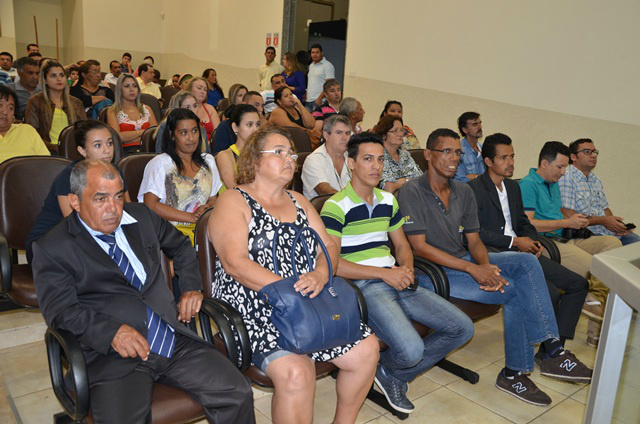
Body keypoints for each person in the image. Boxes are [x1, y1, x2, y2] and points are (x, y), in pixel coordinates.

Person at [33, 159, 254, 423]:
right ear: (75, 201)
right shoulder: (52, 248)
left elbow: (182, 246)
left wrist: (191, 287)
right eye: (100, 199)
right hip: (113, 355)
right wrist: (112, 332)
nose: (113, 208)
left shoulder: (140, 216)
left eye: (117, 196)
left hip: (171, 337)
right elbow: (61, 312)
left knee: (237, 392)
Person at [398, 128, 592, 406]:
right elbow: (420, 248)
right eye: (446, 151)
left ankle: (550, 349)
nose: (454, 158)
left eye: (457, 152)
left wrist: (486, 267)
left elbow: (474, 240)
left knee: (525, 262)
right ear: (427, 154)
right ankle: (522, 369)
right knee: (515, 291)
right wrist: (474, 270)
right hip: (432, 271)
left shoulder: (462, 191)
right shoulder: (412, 191)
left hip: (463, 261)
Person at [209, 127, 379, 423]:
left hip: (309, 298)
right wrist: (291, 291)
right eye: (278, 152)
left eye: (291, 153)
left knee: (367, 349)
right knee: (298, 372)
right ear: (254, 160)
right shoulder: (233, 201)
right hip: (258, 305)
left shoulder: (299, 201)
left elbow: (328, 245)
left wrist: (322, 274)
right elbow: (235, 263)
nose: (289, 158)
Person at [320, 132, 474, 414]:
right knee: (412, 350)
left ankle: (389, 373)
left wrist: (406, 269)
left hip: (396, 279)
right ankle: (390, 370)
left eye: (380, 160)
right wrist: (383, 274)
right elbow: (332, 265)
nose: (376, 166)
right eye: (367, 159)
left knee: (462, 328)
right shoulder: (335, 206)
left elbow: (403, 246)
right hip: (365, 286)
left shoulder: (388, 200)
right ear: (351, 163)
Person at [468, 133, 589, 360]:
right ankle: (553, 353)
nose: (511, 162)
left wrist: (532, 240)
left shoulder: (513, 188)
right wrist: (515, 241)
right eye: (504, 158)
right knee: (550, 292)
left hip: (523, 250)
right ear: (488, 162)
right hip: (496, 254)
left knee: (578, 284)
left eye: (512, 156)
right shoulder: (473, 189)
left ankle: (552, 350)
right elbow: (476, 234)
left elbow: (524, 222)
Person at [519, 141, 623, 346]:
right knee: (599, 268)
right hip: (546, 242)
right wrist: (566, 222)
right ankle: (592, 306)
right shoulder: (528, 184)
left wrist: (576, 221)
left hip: (565, 237)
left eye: (565, 167)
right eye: (560, 167)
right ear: (544, 163)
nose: (564, 172)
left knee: (612, 245)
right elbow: (527, 224)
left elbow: (558, 214)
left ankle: (592, 299)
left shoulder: (553, 183)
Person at [26, 119, 131, 263]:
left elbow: (127, 210)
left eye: (109, 143)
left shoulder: (115, 172)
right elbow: (75, 226)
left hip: (93, 237)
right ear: (82, 151)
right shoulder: (68, 177)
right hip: (50, 244)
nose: (107, 150)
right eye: (98, 145)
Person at [139, 108, 221, 244]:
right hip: (170, 232)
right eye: (184, 133)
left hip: (203, 228)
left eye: (195, 131)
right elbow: (151, 205)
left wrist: (205, 209)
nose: (191, 138)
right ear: (172, 135)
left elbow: (213, 199)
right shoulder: (160, 164)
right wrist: (190, 217)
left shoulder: (208, 161)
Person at [560, 138, 639, 246]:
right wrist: (603, 221)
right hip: (586, 235)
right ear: (573, 157)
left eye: (595, 152)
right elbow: (568, 214)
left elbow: (605, 209)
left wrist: (617, 226)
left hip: (606, 232)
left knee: (635, 241)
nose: (593, 155)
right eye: (587, 152)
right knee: (615, 246)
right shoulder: (566, 177)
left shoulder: (595, 179)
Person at [24, 60, 86, 146]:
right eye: (53, 76)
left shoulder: (76, 102)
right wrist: (53, 148)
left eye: (62, 75)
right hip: (47, 151)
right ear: (45, 80)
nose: (59, 79)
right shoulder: (35, 101)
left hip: (73, 151)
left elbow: (84, 132)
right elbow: (32, 133)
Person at [302, 114, 352, 199]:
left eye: (347, 133)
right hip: (322, 210)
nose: (344, 137)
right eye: (339, 133)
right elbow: (325, 191)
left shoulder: (352, 158)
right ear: (326, 135)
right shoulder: (314, 160)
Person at [106, 74, 158, 152]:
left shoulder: (147, 109)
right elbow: (118, 137)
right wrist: (143, 132)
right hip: (125, 153)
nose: (132, 89)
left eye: (135, 86)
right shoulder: (112, 111)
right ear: (120, 89)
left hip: (149, 150)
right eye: (127, 86)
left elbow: (155, 134)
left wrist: (129, 137)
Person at [215, 104, 261, 192]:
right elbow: (234, 189)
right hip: (235, 203)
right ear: (235, 127)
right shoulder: (225, 155)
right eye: (249, 124)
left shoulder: (262, 153)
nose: (255, 129)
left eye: (257, 124)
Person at [0, 85, 49, 163]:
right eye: (0, 105)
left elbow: (46, 164)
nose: (5, 112)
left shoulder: (27, 130)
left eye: (10, 108)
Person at [373, 115, 422, 194]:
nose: (400, 134)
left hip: (413, 196)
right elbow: (387, 187)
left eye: (401, 130)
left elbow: (420, 179)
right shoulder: (378, 157)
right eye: (395, 131)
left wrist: (400, 182)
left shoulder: (405, 155)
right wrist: (409, 181)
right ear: (383, 134)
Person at [186, 76, 220, 142]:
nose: (203, 92)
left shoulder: (210, 109)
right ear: (190, 89)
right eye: (199, 88)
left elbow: (217, 135)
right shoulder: (183, 107)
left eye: (205, 90)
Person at [454, 111, 485, 182]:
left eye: (480, 123)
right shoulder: (459, 151)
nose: (480, 127)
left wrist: (472, 177)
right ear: (465, 129)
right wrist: (479, 177)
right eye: (475, 124)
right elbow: (459, 180)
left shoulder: (484, 148)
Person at [305, 44, 335, 112]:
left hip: (319, 101)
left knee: (318, 121)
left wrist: (320, 99)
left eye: (317, 52)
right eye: (313, 52)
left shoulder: (328, 66)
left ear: (322, 53)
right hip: (308, 100)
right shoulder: (311, 65)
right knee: (307, 122)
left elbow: (329, 85)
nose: (315, 55)